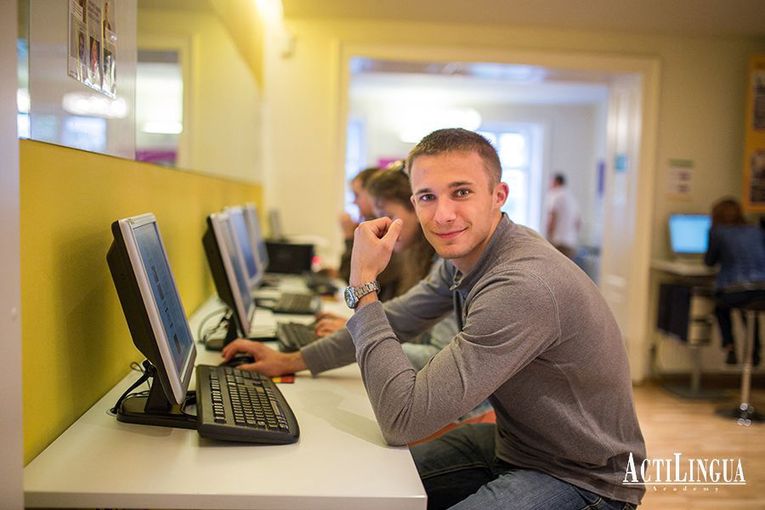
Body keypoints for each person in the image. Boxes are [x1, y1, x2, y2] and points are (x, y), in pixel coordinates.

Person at [223, 128, 645, 509]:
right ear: (413, 202)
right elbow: (399, 318)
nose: (442, 214)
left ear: (498, 195)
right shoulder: (469, 256)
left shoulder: (522, 284)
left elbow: (403, 420)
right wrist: (291, 361)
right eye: (427, 197)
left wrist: (364, 285)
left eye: (461, 192)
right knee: (354, 489)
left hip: (586, 478)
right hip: (518, 445)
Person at [318, 163, 457, 369]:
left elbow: (438, 354)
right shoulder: (414, 256)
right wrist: (358, 331)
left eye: (389, 216)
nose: (383, 228)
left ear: (416, 208)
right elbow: (413, 330)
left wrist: (362, 338)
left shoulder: (445, 263)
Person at [704, 197, 765, 366]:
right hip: (762, 289)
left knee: (720, 308)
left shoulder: (717, 232)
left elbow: (709, 262)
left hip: (735, 289)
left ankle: (729, 346)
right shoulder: (757, 230)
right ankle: (754, 352)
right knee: (750, 312)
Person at [336, 167, 402, 302]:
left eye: (357, 195)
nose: (354, 202)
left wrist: (349, 237)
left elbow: (353, 280)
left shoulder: (387, 231)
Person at [545, 173, 580, 259]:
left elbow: (552, 217)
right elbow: (578, 223)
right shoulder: (571, 197)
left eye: (551, 182)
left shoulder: (556, 195)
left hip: (558, 242)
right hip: (570, 243)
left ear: (556, 182)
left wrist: (548, 238)